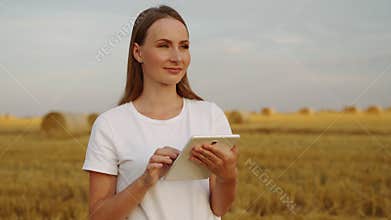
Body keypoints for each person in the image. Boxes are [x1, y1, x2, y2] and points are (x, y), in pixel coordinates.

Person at [82, 5, 238, 220]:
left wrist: (227, 176)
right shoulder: (109, 125)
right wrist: (145, 181)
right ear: (138, 52)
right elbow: (98, 216)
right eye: (164, 45)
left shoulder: (210, 115)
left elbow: (219, 209)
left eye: (184, 46)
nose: (177, 57)